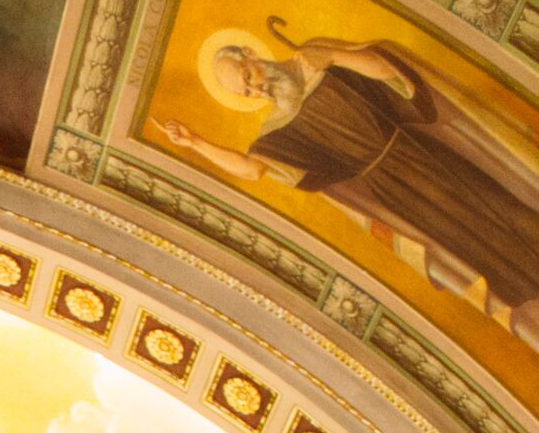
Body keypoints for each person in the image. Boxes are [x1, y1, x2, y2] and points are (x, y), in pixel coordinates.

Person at [153, 26, 539, 353]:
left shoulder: (312, 60)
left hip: (421, 153)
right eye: (245, 92)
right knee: (476, 245)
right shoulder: (276, 133)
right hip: (394, 191)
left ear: (251, 54)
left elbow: (388, 71)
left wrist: (336, 55)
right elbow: (252, 169)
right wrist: (196, 143)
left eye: (247, 76)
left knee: (504, 209)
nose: (255, 89)